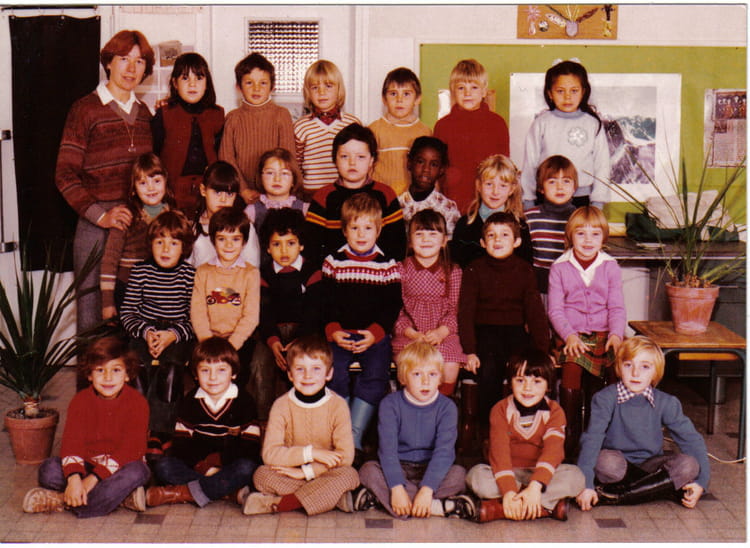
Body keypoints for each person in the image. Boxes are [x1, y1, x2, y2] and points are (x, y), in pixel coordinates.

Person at [55, 30, 155, 337]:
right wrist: (102, 216)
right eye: (123, 59)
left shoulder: (145, 114)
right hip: (96, 227)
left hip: (137, 228)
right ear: (108, 63)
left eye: (139, 61)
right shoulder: (85, 109)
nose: (131, 68)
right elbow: (64, 174)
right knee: (93, 321)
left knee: (136, 318)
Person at [576, 336, 710, 510]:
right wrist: (586, 484)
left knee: (689, 464)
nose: (635, 373)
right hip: (618, 464)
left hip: (651, 465)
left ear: (656, 372)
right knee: (604, 462)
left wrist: (701, 483)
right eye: (628, 365)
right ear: (619, 368)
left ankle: (617, 496)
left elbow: (691, 440)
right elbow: (592, 439)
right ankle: (659, 489)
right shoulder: (605, 398)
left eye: (645, 367)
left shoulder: (666, 402)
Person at [23, 336, 150, 517]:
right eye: (100, 370)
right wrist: (74, 479)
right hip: (87, 465)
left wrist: (93, 479)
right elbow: (72, 443)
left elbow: (130, 450)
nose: (108, 378)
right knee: (49, 469)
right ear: (89, 375)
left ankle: (61, 500)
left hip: (120, 468)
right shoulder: (80, 401)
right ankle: (119, 497)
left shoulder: (138, 402)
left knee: (137, 472)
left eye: (116, 370)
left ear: (127, 374)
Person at [242, 335, 360, 516]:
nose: (307, 376)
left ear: (329, 374)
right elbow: (270, 454)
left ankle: (280, 504)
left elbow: (345, 457)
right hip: (290, 473)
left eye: (316, 369)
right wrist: (310, 454)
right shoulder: (281, 405)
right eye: (299, 369)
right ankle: (333, 498)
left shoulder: (338, 405)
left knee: (349, 474)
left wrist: (307, 472)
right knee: (261, 475)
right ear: (290, 374)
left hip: (325, 473)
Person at [321, 193, 402, 456]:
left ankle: (354, 434)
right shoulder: (334, 262)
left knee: (376, 375)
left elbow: (392, 305)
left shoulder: (387, 264)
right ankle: (340, 432)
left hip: (373, 335)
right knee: (333, 372)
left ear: (378, 230)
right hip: (340, 334)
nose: (361, 234)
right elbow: (326, 301)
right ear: (344, 230)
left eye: (368, 228)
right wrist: (333, 330)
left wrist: (376, 333)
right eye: (354, 227)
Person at [458, 212, 549, 444]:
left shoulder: (525, 270)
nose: (497, 240)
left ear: (517, 242)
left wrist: (542, 350)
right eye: (491, 235)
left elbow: (535, 313)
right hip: (484, 333)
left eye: (504, 235)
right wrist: (470, 350)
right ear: (482, 242)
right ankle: (490, 432)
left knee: (524, 369)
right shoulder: (474, 270)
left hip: (515, 332)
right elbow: (465, 313)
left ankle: (525, 429)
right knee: (488, 370)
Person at [356, 341, 473, 519]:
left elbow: (444, 453)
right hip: (398, 466)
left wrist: (427, 489)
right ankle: (438, 507)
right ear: (403, 378)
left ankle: (392, 501)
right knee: (368, 471)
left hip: (431, 467)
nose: (426, 381)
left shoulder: (447, 407)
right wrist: (396, 488)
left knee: (459, 475)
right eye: (417, 374)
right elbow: (387, 451)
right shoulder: (390, 404)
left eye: (432, 374)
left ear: (440, 378)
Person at [465, 349, 584, 522]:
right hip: (508, 473)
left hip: (541, 475)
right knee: (476, 476)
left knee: (576, 476)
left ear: (549, 386)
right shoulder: (500, 409)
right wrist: (508, 491)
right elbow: (499, 452)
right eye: (520, 380)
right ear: (510, 382)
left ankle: (500, 509)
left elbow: (553, 451)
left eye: (537, 381)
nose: (527, 388)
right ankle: (543, 506)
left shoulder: (555, 412)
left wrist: (535, 487)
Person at [145, 337, 261, 509]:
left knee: (247, 468)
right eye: (205, 370)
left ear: (234, 373)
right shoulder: (191, 401)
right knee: (164, 466)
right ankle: (227, 492)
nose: (213, 377)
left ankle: (182, 493)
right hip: (198, 465)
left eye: (221, 370)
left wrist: (218, 462)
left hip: (230, 464)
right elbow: (182, 445)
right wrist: (204, 467)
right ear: (195, 375)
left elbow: (250, 447)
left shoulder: (244, 401)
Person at [548, 206, 626, 461]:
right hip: (572, 334)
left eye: (595, 234)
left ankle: (599, 434)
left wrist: (616, 334)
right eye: (581, 233)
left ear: (604, 238)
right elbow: (555, 310)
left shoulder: (610, 266)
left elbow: (616, 307)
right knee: (572, 366)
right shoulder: (560, 267)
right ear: (570, 236)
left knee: (612, 369)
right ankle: (570, 434)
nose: (588, 240)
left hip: (605, 334)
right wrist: (569, 335)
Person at [119, 210, 195, 449]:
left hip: (176, 335)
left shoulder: (189, 275)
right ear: (150, 244)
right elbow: (127, 312)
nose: (165, 249)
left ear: (184, 247)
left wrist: (172, 335)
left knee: (169, 370)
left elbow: (195, 319)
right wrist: (147, 332)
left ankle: (161, 430)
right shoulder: (140, 271)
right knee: (138, 368)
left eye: (173, 243)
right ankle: (138, 425)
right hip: (144, 331)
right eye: (159, 242)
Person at [252, 207, 324, 420]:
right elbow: (264, 313)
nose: (284, 250)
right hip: (271, 334)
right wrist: (273, 342)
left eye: (290, 243)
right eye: (276, 244)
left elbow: (314, 311)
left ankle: (302, 419)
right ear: (267, 248)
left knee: (305, 364)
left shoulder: (312, 272)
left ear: (301, 244)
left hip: (305, 333)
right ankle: (264, 422)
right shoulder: (264, 274)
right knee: (258, 364)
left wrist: (298, 340)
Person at [305, 123, 406, 266]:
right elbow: (311, 249)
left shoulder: (385, 195)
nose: (352, 163)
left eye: (360, 157)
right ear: (334, 159)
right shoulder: (323, 197)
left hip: (379, 273)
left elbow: (397, 246)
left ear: (371, 160)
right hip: (333, 275)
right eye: (344, 156)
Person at [391, 209, 465, 396]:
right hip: (410, 333)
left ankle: (442, 403)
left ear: (444, 240)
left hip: (443, 333)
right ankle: (410, 403)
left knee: (450, 360)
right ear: (410, 241)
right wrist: (411, 333)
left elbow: (455, 309)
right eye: (419, 234)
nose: (426, 239)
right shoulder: (400, 269)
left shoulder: (453, 271)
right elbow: (396, 309)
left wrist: (441, 332)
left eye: (433, 234)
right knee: (409, 361)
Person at [521, 60, 609, 210]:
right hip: (546, 197)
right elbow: (530, 163)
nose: (567, 97)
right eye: (560, 91)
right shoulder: (541, 123)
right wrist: (528, 199)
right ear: (550, 93)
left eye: (574, 91)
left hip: (581, 199)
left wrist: (598, 202)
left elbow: (602, 165)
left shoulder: (592, 124)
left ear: (583, 92)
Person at [191, 206, 260, 392]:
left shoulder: (251, 273)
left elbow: (251, 317)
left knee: (238, 376)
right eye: (222, 239)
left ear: (244, 242)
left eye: (235, 239)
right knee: (203, 371)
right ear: (213, 240)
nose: (229, 245)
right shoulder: (203, 272)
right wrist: (208, 342)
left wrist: (231, 346)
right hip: (208, 338)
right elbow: (198, 312)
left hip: (238, 340)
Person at [100, 153, 175, 321]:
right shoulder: (126, 216)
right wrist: (107, 303)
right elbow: (109, 260)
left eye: (156, 181)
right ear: (133, 188)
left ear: (166, 181)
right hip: (129, 288)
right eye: (143, 183)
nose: (151, 188)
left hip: (163, 290)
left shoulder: (173, 215)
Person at [152, 52, 224, 216]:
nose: (192, 84)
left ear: (207, 83)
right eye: (185, 78)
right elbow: (154, 155)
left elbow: (221, 154)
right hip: (171, 192)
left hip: (208, 193)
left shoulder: (217, 115)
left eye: (199, 78)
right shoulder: (165, 113)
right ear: (175, 83)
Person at [219, 52, 297, 204]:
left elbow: (288, 158)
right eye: (249, 83)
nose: (256, 88)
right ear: (238, 86)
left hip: (276, 192)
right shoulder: (233, 118)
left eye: (263, 83)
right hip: (241, 194)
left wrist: (272, 191)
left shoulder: (281, 115)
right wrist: (243, 190)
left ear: (272, 87)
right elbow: (227, 158)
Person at [433, 59, 509, 214]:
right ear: (453, 91)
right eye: (461, 88)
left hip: (489, 204)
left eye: (474, 87)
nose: (467, 93)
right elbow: (437, 171)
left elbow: (503, 168)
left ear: (484, 91)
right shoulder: (442, 126)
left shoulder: (497, 123)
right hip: (452, 204)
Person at [450, 154, 531, 269]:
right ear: (478, 185)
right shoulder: (464, 224)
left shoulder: (520, 226)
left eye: (503, 186)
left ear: (512, 189)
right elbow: (456, 265)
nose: (495, 192)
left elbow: (526, 269)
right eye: (489, 184)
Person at [294, 60, 362, 196]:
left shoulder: (352, 124)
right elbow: (296, 166)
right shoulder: (301, 127)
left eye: (328, 86)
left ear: (339, 90)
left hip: (345, 193)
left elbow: (361, 162)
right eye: (315, 87)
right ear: (308, 92)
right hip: (311, 194)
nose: (321, 92)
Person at [369, 67, 432, 196]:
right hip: (381, 198)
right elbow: (367, 169)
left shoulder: (425, 132)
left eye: (406, 94)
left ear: (417, 99)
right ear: (384, 99)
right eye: (393, 94)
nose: (399, 99)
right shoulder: (374, 130)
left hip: (413, 199)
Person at [189, 161, 261, 268]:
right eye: (217, 192)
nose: (223, 199)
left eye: (229, 194)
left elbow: (252, 266)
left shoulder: (245, 226)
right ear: (203, 190)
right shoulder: (193, 229)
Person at [524, 154, 578, 294]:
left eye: (566, 181)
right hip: (539, 286)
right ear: (541, 188)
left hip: (571, 287)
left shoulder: (580, 218)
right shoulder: (529, 218)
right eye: (552, 182)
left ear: (574, 187)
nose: (560, 187)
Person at [397, 136, 460, 238]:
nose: (426, 169)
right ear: (409, 163)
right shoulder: (396, 206)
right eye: (420, 162)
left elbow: (450, 244)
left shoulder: (447, 209)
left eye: (434, 164)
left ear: (441, 170)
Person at [244, 147, 309, 235]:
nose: (277, 179)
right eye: (270, 173)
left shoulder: (305, 209)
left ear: (293, 180)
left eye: (284, 173)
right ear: (260, 178)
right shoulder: (251, 211)